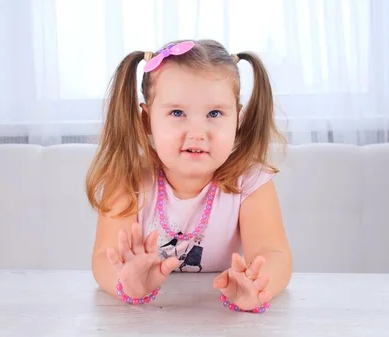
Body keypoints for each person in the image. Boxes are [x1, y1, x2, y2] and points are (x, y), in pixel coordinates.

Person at [85, 39, 292, 313]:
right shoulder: (128, 179)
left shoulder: (250, 182)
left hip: (215, 317)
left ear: (237, 119)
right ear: (147, 120)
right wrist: (126, 282)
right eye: (177, 113)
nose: (197, 132)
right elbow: (104, 258)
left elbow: (274, 254)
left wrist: (258, 285)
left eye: (214, 113)